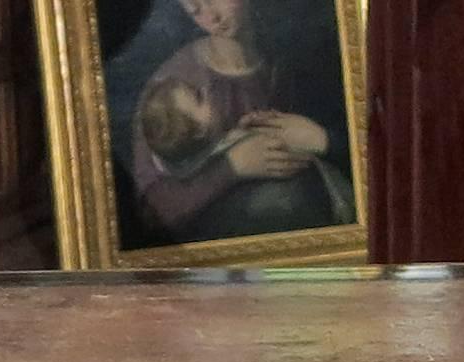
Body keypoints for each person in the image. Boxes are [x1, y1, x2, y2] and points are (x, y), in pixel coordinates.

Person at [124, 0, 353, 244]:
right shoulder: (172, 93)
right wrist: (232, 167)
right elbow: (151, 213)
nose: (211, 17)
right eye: (196, 10)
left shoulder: (294, 54)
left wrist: (321, 139)